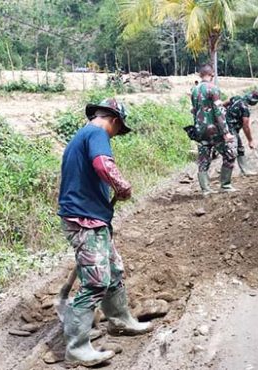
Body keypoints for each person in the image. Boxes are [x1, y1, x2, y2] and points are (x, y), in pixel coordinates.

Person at [57, 98, 152, 367]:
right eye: (118, 129)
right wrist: (122, 187)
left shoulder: (84, 135)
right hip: (83, 219)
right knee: (96, 281)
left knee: (114, 271)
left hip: (92, 217)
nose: (116, 134)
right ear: (114, 120)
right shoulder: (97, 133)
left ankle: (120, 321)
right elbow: (102, 165)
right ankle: (76, 347)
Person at [191, 64, 237, 196]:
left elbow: (194, 111)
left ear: (200, 75)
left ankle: (206, 190)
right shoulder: (213, 89)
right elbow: (219, 112)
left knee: (203, 160)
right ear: (212, 74)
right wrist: (226, 132)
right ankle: (225, 185)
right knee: (229, 154)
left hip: (200, 131)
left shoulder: (194, 90)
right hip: (214, 130)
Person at [225, 90, 258, 176]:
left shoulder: (236, 98)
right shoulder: (245, 109)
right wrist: (250, 140)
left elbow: (223, 104)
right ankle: (226, 177)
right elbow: (246, 126)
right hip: (230, 129)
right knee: (233, 151)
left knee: (239, 148)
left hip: (225, 126)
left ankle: (244, 170)